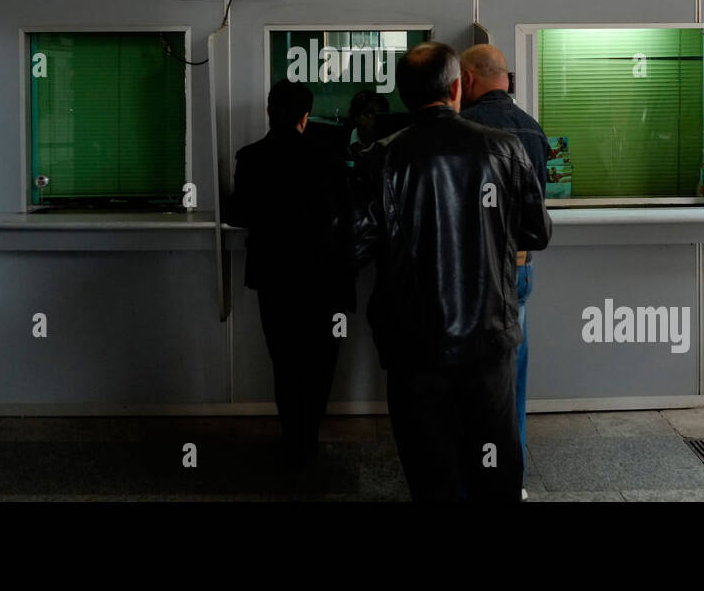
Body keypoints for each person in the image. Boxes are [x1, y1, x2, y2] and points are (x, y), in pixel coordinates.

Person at [351, 42, 551, 501]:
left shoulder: (378, 159)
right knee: (495, 469)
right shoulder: (506, 148)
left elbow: (355, 246)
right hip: (488, 339)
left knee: (432, 471)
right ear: (458, 87)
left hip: (413, 345)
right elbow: (536, 233)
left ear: (402, 95)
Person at [226, 79, 353, 469]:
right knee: (320, 360)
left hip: (275, 277)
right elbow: (346, 210)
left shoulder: (250, 156)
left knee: (284, 358)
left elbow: (238, 214)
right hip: (323, 277)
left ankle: (292, 436)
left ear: (269, 111)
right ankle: (309, 435)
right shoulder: (328, 155)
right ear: (305, 115)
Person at [459, 43, 551, 499]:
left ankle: (471, 469)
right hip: (517, 270)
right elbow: (538, 218)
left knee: (469, 374)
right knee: (512, 373)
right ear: (508, 79)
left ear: (469, 80)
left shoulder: (465, 129)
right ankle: (509, 479)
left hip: (471, 273)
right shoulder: (533, 132)